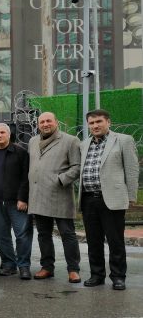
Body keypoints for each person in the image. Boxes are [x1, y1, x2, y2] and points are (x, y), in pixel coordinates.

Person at [79, 109, 139, 290]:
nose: (95, 125)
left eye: (99, 121)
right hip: (89, 199)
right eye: (91, 123)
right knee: (93, 241)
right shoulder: (84, 144)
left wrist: (131, 196)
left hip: (111, 199)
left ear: (108, 122)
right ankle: (96, 275)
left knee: (115, 241)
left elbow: (132, 169)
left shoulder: (123, 140)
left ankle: (118, 276)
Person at [28, 112, 81, 283]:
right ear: (38, 125)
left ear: (56, 122)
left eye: (48, 121)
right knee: (43, 234)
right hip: (38, 196)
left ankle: (73, 269)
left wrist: (60, 180)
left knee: (67, 234)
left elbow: (77, 166)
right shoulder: (33, 141)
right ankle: (47, 267)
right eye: (42, 122)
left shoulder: (70, 141)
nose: (45, 124)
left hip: (60, 195)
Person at [0, 124, 33, 280]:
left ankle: (24, 266)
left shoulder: (20, 153)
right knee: (1, 236)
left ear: (9, 135)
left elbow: (26, 177)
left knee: (22, 235)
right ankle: (9, 264)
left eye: (2, 132)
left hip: (16, 202)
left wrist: (23, 198)